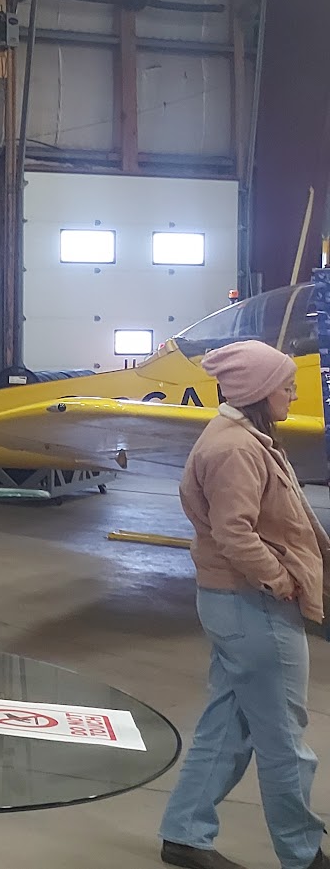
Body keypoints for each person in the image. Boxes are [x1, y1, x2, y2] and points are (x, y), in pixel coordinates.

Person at [159, 339, 330, 869]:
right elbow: (234, 532)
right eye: (286, 385)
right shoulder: (234, 448)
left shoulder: (245, 438)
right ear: (258, 390)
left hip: (235, 604)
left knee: (227, 726)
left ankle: (184, 835)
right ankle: (302, 854)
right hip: (252, 605)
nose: (294, 393)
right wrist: (279, 580)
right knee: (283, 737)